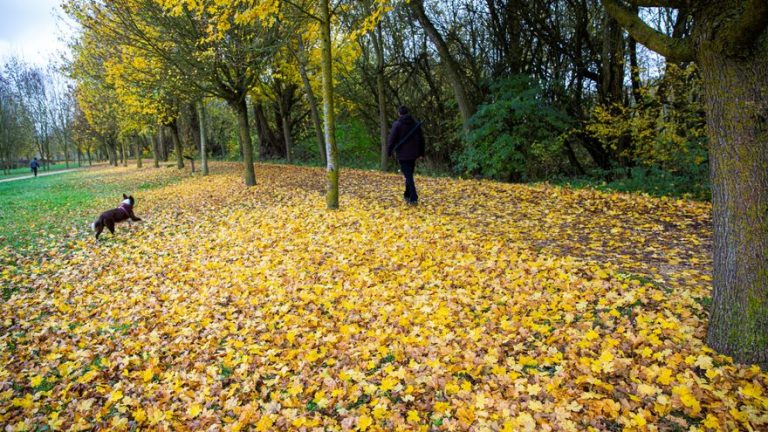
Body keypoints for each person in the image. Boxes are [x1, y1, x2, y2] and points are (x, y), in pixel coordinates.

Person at [387, 106, 425, 205]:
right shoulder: (416, 124)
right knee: (409, 175)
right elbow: (421, 140)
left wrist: (389, 151)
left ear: (399, 113)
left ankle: (413, 198)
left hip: (403, 154)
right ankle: (407, 194)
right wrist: (421, 153)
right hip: (414, 154)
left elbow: (392, 139)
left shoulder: (397, 125)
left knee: (408, 176)